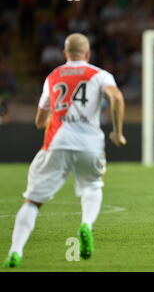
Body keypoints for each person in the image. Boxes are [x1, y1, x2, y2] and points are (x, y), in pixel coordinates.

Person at [3, 33, 126, 268]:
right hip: (90, 144)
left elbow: (40, 121)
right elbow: (117, 98)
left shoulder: (53, 76)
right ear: (87, 53)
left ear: (65, 54)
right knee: (92, 186)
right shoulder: (99, 75)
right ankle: (86, 225)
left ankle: (15, 252)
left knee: (32, 202)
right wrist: (118, 132)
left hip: (57, 142)